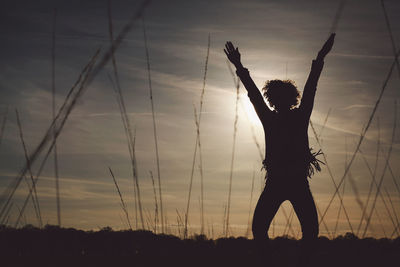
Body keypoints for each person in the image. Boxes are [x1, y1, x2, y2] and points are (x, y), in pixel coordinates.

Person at [224, 33, 335, 266]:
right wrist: (239, 67)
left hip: (291, 182)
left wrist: (320, 58)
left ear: (286, 99)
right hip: (280, 183)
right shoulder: (277, 118)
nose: (279, 101)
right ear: (274, 100)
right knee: (267, 229)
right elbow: (255, 95)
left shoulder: (291, 116)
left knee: (303, 231)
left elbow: (310, 87)